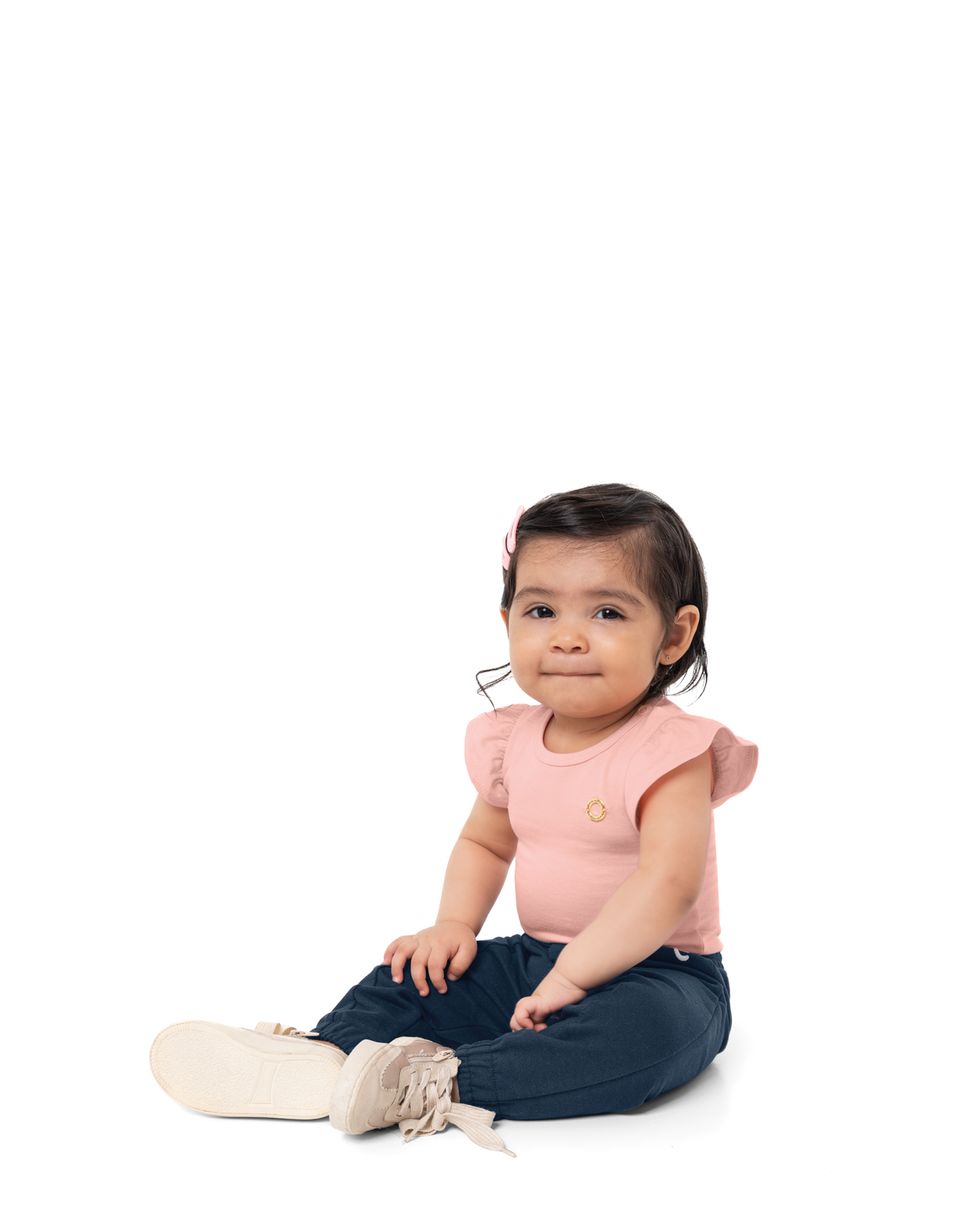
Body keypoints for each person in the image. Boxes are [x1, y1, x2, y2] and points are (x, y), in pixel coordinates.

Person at [150, 481, 758, 1159]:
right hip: (537, 958)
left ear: (673, 635)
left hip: (661, 972)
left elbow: (666, 883)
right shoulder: (512, 739)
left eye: (608, 612)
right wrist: (453, 928)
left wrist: (573, 978)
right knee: (414, 975)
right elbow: (485, 844)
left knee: (645, 1037)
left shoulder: (671, 751)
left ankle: (438, 1080)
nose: (567, 638)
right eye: (541, 610)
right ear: (507, 622)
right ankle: (327, 1055)